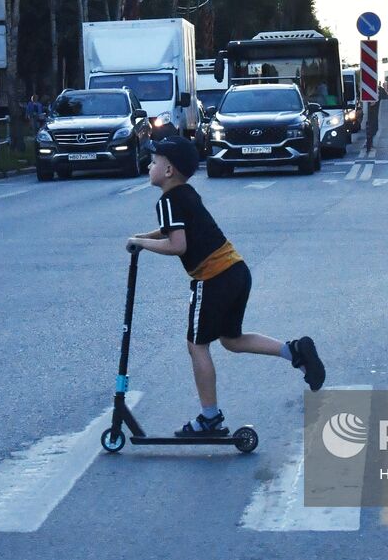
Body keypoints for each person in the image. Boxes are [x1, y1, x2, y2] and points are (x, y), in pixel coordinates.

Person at [126, 136, 326, 436]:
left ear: (168, 171)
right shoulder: (186, 194)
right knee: (231, 339)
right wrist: (147, 236)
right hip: (235, 271)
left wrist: (141, 242)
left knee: (197, 345)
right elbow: (176, 228)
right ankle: (294, 351)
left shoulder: (167, 200)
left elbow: (178, 245)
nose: (150, 166)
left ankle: (209, 417)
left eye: (155, 162)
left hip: (213, 277)